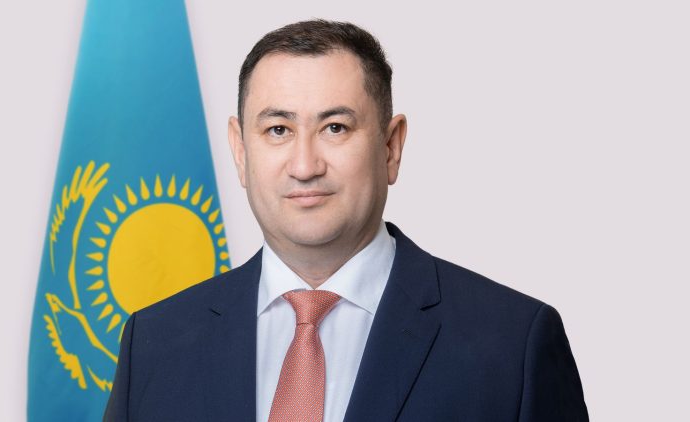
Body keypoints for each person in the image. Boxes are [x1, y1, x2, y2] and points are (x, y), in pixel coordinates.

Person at [104, 19, 588, 421]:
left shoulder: (511, 346)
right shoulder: (154, 344)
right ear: (240, 151)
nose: (304, 165)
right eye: (278, 129)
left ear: (390, 147)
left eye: (335, 127)